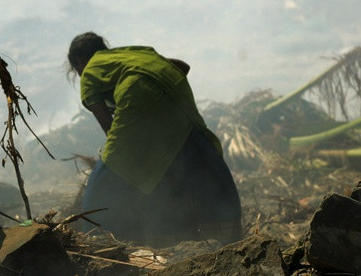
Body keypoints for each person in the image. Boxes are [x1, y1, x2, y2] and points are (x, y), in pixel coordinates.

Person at [67, 32, 241, 246]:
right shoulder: (130, 55)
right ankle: (227, 232)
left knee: (109, 172)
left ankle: (95, 240)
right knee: (192, 152)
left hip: (137, 93)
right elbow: (181, 66)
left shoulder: (91, 69)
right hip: (174, 90)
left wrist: (122, 160)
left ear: (78, 61)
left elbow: (109, 127)